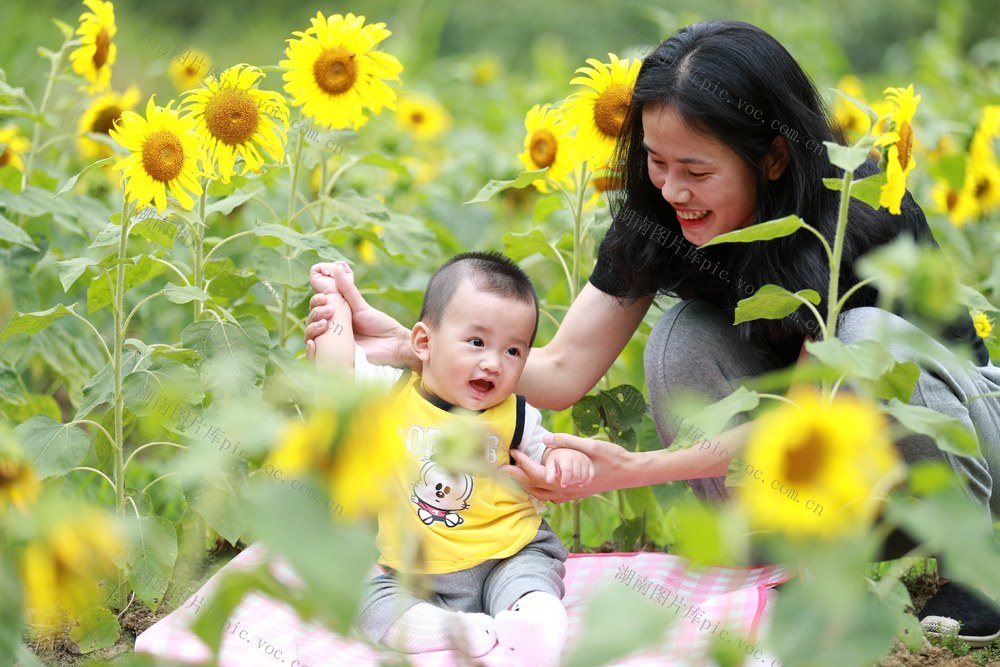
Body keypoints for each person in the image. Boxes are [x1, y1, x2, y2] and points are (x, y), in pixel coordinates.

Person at [306, 20, 1000, 647]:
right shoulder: (659, 215)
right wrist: (413, 347)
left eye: (696, 170)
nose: (671, 190)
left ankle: (971, 562)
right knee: (682, 337)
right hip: (834, 484)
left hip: (957, 440)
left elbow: (809, 418)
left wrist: (634, 469)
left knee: (865, 330)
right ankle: (791, 559)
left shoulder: (857, 202)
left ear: (775, 158)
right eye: (657, 163)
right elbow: (559, 367)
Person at [309, 253, 594, 665]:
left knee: (533, 585)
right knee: (366, 601)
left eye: (513, 351)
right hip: (416, 570)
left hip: (509, 552)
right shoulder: (392, 394)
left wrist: (567, 458)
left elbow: (546, 450)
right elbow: (336, 374)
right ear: (423, 342)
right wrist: (335, 301)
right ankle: (450, 630)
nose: (493, 363)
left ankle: (533, 628)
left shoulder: (514, 416)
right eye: (476, 342)